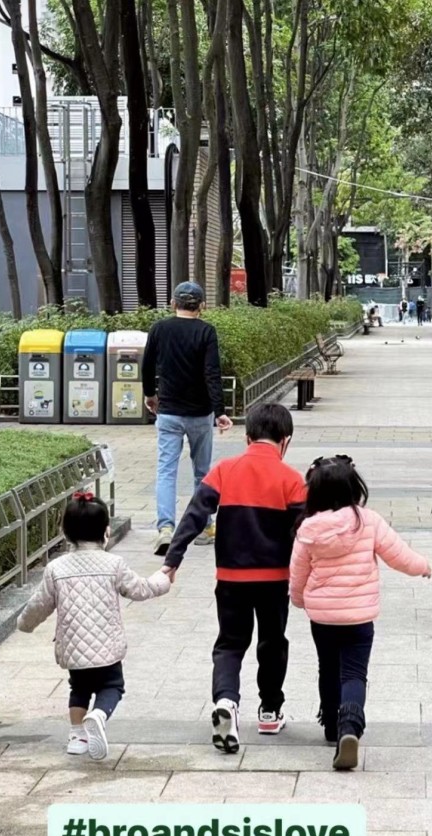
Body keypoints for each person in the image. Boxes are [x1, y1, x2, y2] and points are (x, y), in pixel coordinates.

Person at [162, 403, 306, 753]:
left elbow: (195, 514)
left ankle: (226, 702)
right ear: (285, 441)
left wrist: (173, 559)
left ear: (247, 437)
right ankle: (270, 711)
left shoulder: (224, 470)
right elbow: (306, 531)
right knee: (273, 642)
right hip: (274, 580)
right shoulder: (292, 480)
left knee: (229, 644)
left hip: (230, 578)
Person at [290, 456, 431, 771]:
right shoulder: (367, 520)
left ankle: (330, 726)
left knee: (327, 669)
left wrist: (298, 599)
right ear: (354, 488)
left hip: (323, 617)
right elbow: (398, 554)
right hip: (359, 617)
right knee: (354, 673)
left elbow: (298, 570)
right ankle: (349, 728)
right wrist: (422, 565)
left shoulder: (307, 529)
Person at [17, 494, 171, 760]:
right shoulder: (114, 564)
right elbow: (139, 589)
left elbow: (39, 604)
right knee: (112, 686)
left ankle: (77, 736)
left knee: (78, 688)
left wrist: (24, 624)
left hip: (74, 647)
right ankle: (99, 715)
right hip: (106, 646)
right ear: (105, 531)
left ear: (65, 532)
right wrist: (163, 579)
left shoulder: (56, 568)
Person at [142, 281, 233, 557]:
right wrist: (219, 411)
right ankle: (204, 527)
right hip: (200, 414)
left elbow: (147, 364)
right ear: (202, 306)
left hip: (168, 411)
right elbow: (211, 373)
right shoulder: (206, 331)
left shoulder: (160, 329)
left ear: (173, 304)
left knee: (166, 470)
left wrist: (150, 395)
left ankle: (166, 528)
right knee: (202, 473)